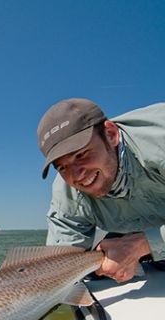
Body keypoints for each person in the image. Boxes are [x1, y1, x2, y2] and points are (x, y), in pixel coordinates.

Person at [37, 98, 165, 283]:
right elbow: (58, 265)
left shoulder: (159, 144)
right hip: (133, 231)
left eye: (81, 154)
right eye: (62, 167)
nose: (78, 175)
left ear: (111, 134)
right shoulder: (67, 192)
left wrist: (142, 245)